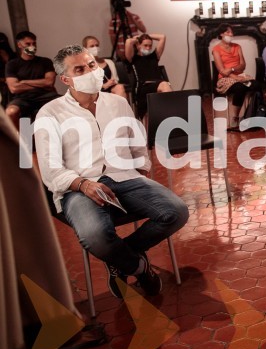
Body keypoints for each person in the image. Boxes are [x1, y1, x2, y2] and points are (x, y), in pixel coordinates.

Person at [34, 45, 189, 299]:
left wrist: (141, 172)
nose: (90, 72)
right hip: (79, 187)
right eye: (79, 69)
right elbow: (50, 168)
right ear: (65, 79)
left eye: (92, 65)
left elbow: (137, 142)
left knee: (177, 212)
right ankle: (138, 267)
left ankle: (121, 256)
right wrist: (83, 184)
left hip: (125, 177)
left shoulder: (118, 103)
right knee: (95, 236)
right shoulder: (50, 113)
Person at [5, 31, 58, 129]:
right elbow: (14, 88)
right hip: (23, 98)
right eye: (28, 44)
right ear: (19, 45)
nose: (32, 46)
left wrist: (24, 82)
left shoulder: (45, 62)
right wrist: (41, 84)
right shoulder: (12, 64)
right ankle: (19, 137)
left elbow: (49, 82)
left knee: (71, 105)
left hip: (46, 96)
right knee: (11, 112)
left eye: (34, 43)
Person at [212, 24, 259, 131]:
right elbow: (222, 71)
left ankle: (253, 114)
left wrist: (232, 69)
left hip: (240, 75)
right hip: (225, 79)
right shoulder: (216, 50)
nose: (231, 34)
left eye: (231, 32)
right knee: (240, 88)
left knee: (256, 85)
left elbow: (243, 65)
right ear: (221, 34)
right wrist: (235, 77)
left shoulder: (237, 47)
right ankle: (235, 117)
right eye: (228, 32)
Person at [124, 32, 172, 119]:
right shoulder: (133, 58)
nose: (148, 48)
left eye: (150, 45)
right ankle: (171, 113)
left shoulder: (154, 56)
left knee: (164, 85)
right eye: (145, 45)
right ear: (138, 46)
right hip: (143, 87)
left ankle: (168, 115)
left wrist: (146, 36)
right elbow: (128, 42)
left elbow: (162, 37)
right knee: (165, 85)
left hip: (158, 85)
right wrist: (138, 38)